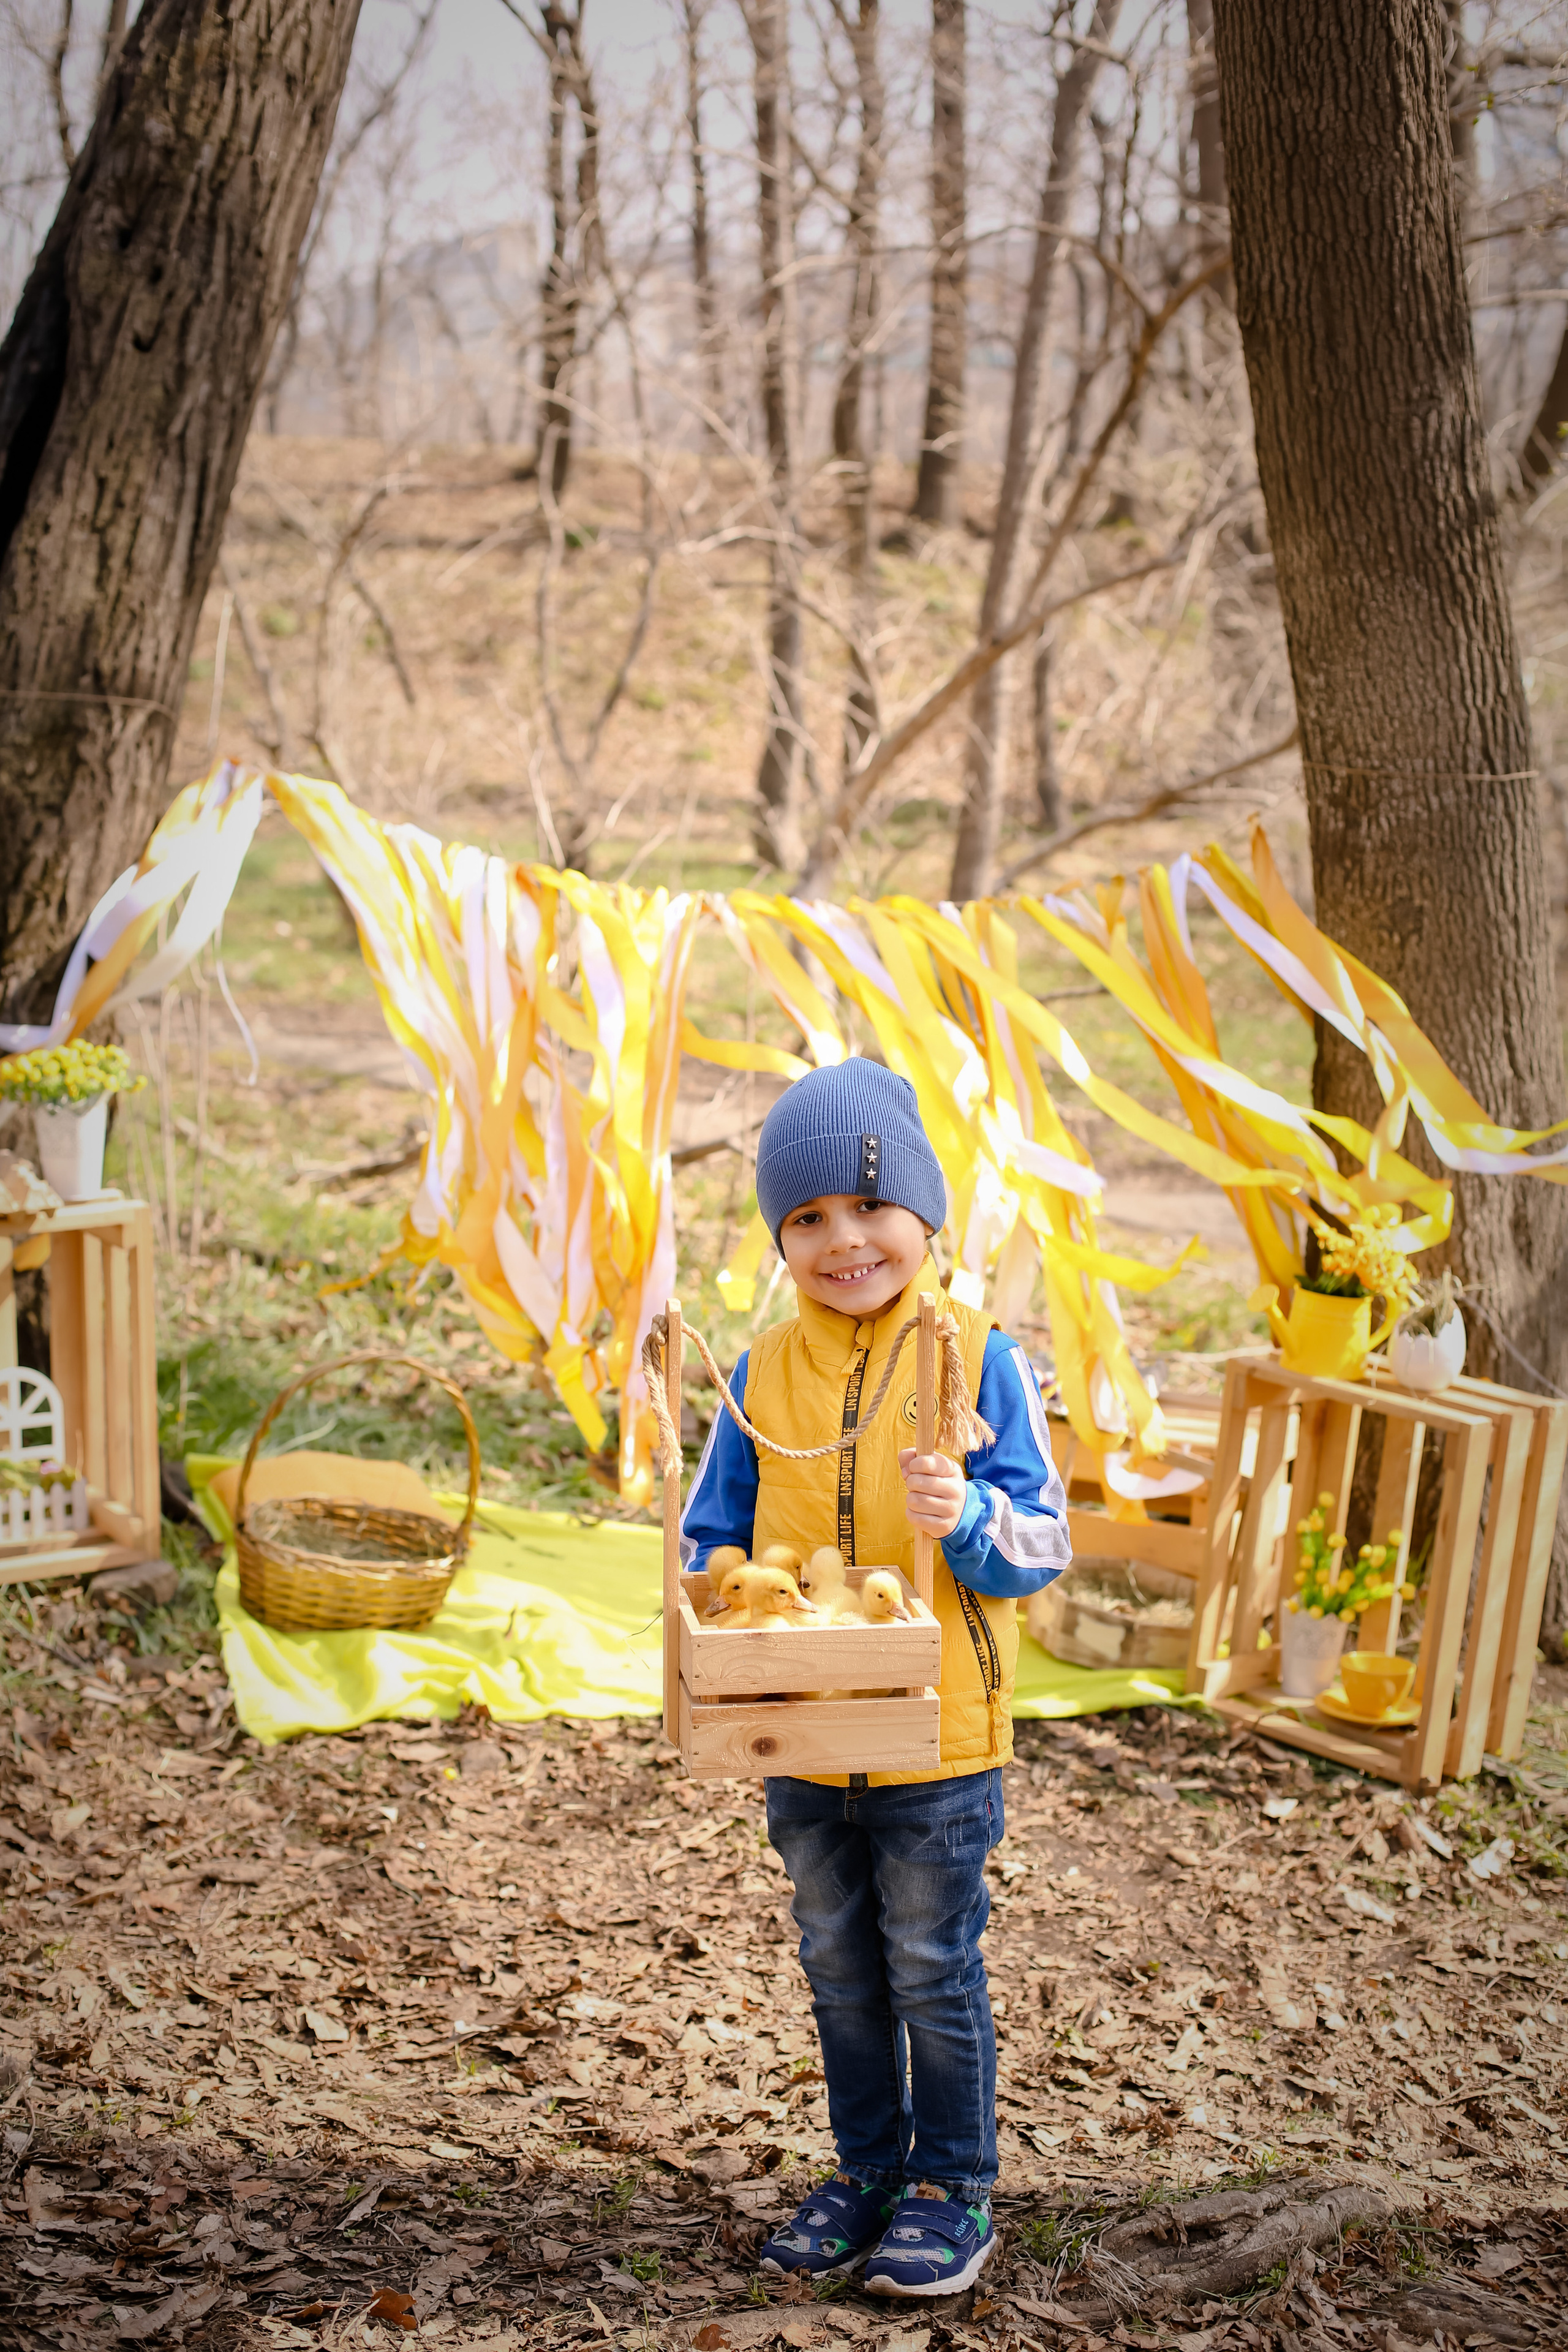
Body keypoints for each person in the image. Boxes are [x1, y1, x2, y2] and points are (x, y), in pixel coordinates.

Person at [680, 1058, 1071, 2299]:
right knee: (839, 1966)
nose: (843, 1239)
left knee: (930, 1966)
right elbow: (709, 1534)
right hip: (802, 1729)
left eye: (868, 1206)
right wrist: (719, 1606)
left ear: (924, 1213)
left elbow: (1044, 1543)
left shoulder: (979, 1359)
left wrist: (968, 1519)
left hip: (936, 1738)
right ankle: (864, 2172)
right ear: (780, 1240)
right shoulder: (759, 1375)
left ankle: (951, 2187)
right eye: (806, 1218)